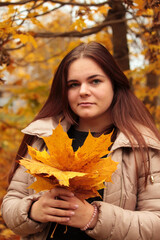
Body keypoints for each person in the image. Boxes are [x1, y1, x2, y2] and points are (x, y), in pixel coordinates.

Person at [1, 41, 160, 240]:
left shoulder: (140, 145)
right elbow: (10, 207)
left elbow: (156, 224)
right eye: (73, 84)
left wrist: (94, 218)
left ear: (114, 84)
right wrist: (33, 210)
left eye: (95, 81)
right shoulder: (45, 137)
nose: (83, 91)